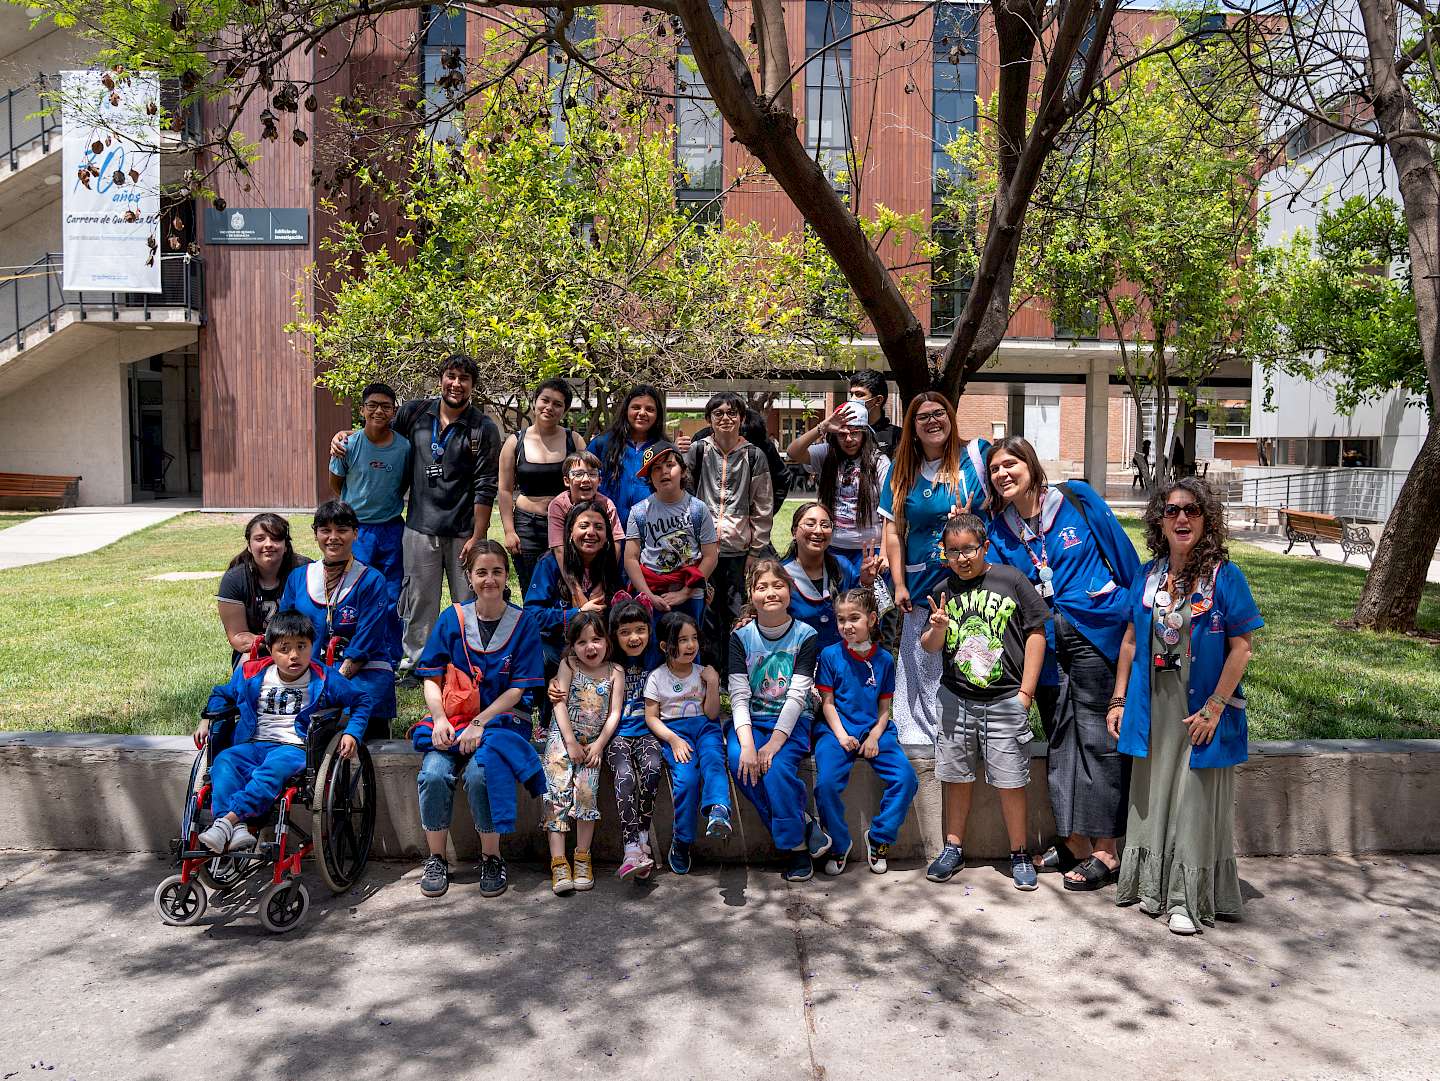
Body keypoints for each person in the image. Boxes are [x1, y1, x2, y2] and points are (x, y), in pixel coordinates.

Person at [985, 436, 1140, 892]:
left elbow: (1124, 557)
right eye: (994, 469)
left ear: (1031, 464)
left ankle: (1107, 850)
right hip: (1046, 646)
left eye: (1010, 464)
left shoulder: (1076, 499)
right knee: (1060, 740)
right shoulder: (1000, 530)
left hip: (1095, 632)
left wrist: (1131, 608)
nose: (1002, 474)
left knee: (1098, 740)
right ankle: (1074, 841)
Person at [1110, 478, 1262, 935]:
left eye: (1192, 510)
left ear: (1206, 520)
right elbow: (1131, 642)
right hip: (1153, 710)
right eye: (1172, 510)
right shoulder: (1148, 575)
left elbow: (1242, 649)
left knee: (1194, 801)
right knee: (1153, 797)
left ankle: (1185, 899)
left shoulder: (1225, 576)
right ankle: (1151, 887)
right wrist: (1119, 698)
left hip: (1200, 711)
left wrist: (1215, 707)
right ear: (1159, 520)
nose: (1181, 518)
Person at [331, 354, 501, 678]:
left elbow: (486, 485)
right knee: (419, 602)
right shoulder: (415, 413)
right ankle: (416, 665)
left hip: (463, 531)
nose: (456, 384)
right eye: (451, 376)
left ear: (473, 386)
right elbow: (378, 432)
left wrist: (478, 537)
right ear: (441, 379)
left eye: (464, 379)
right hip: (420, 528)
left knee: (468, 601)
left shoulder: (483, 427)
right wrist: (344, 436)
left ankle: (470, 664)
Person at [920, 514, 1049, 891]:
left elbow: (1036, 632)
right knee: (956, 775)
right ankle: (953, 847)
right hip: (956, 699)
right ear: (944, 554)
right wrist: (937, 628)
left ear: (985, 547)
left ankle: (1019, 852)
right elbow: (930, 646)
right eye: (953, 552)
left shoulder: (1011, 580)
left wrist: (1025, 694)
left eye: (969, 550)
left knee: (1011, 779)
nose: (961, 558)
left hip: (1006, 698)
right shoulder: (943, 589)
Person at [411, 541, 547, 899]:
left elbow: (517, 690)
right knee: (434, 773)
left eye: (497, 571)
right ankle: (436, 858)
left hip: (501, 721)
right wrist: (439, 718)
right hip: (453, 719)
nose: (489, 579)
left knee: (481, 774)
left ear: (507, 576)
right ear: (469, 577)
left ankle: (491, 857)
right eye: (481, 572)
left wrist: (480, 723)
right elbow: (431, 677)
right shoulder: (452, 618)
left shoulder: (523, 623)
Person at [195, 611, 371, 854]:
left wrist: (352, 732)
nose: (294, 655)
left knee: (271, 770)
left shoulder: (324, 677)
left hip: (294, 747)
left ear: (312, 646)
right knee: (224, 761)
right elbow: (221, 694)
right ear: (270, 649)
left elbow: (362, 700)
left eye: (302, 646)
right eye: (284, 649)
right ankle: (237, 827)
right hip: (253, 744)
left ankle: (226, 822)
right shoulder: (252, 673)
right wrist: (206, 718)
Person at [880, 392, 991, 746]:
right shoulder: (902, 470)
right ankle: (924, 739)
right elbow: (893, 532)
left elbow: (1003, 503)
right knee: (924, 664)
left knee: (973, 661)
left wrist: (973, 519)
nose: (932, 421)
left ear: (951, 417)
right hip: (923, 585)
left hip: (972, 583)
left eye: (939, 413)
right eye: (923, 416)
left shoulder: (976, 456)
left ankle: (972, 735)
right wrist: (899, 583)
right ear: (912, 426)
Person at [727, 559, 823, 883]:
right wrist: (748, 744)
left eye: (778, 585)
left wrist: (773, 744)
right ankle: (804, 826)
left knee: (777, 769)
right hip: (752, 720)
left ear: (790, 590)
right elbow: (738, 695)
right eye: (762, 587)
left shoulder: (806, 635)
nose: (771, 592)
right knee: (740, 762)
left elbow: (797, 696)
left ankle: (796, 849)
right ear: (751, 595)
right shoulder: (740, 637)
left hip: (792, 722)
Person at [812, 589, 918, 876]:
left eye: (854, 618)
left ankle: (880, 837)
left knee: (906, 778)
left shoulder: (884, 660)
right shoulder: (830, 655)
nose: (847, 625)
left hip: (875, 730)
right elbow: (828, 704)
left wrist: (873, 737)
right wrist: (841, 736)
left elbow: (884, 709)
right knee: (826, 785)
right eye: (841, 619)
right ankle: (839, 843)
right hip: (835, 731)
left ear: (871, 619)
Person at [279, 501, 398, 738]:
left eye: (342, 530)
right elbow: (283, 629)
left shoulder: (372, 580)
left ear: (356, 533)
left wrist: (331, 684)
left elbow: (367, 640)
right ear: (316, 534)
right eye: (325, 530)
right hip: (307, 670)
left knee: (364, 727)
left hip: (363, 671)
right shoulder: (299, 577)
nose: (333, 537)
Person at [684, 391, 775, 676]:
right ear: (709, 419)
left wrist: (755, 550)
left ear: (742, 418)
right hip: (704, 549)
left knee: (738, 612)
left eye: (732, 413)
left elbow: (763, 505)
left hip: (739, 549)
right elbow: (686, 498)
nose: (726, 418)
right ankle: (710, 670)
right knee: (707, 612)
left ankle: (736, 671)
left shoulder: (754, 455)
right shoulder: (698, 451)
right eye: (718, 413)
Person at [644, 610, 731, 876]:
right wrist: (673, 740)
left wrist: (713, 683)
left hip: (705, 728)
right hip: (675, 732)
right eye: (682, 640)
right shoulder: (657, 678)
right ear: (664, 646)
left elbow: (712, 714)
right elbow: (651, 717)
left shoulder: (704, 673)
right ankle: (682, 841)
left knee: (714, 761)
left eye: (694, 638)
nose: (691, 645)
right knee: (687, 779)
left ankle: (719, 809)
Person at [543, 612, 623, 896]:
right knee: (557, 794)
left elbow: (614, 713)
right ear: (572, 646)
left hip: (592, 745)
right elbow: (559, 704)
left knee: (587, 795)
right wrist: (570, 742)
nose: (590, 647)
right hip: (562, 739)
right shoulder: (568, 665)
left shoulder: (615, 672)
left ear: (607, 641)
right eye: (582, 642)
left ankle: (582, 857)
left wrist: (599, 744)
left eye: (597, 639)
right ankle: (558, 861)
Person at [524, 500, 626, 699]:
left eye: (599, 527)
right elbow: (531, 615)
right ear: (570, 532)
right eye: (583, 526)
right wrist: (577, 614)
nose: (591, 532)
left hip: (599, 649)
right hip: (558, 646)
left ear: (607, 536)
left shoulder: (611, 566)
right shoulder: (550, 564)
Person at [328, 382, 411, 619]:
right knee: (353, 588)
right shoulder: (347, 445)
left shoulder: (404, 447)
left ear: (394, 412)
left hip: (391, 528)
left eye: (385, 406)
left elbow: (403, 483)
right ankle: (352, 637)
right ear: (362, 409)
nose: (378, 411)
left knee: (391, 590)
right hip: (357, 530)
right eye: (372, 405)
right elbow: (336, 484)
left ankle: (389, 640)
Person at [499, 379, 587, 594]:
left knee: (567, 587)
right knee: (532, 590)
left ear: (565, 410)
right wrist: (509, 531)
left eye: (557, 404)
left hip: (565, 524)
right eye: (545, 400)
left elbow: (586, 484)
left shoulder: (574, 441)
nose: (549, 407)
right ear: (534, 402)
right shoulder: (515, 442)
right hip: (527, 527)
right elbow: (504, 489)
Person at [785, 400, 891, 574]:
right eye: (842, 434)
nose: (848, 439)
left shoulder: (879, 462)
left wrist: (885, 554)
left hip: (871, 549)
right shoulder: (826, 453)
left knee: (866, 592)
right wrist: (822, 427)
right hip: (832, 546)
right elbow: (793, 452)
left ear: (865, 434)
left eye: (855, 433)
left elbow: (888, 511)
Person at [623, 441, 719, 625]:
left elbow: (710, 556)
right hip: (653, 591)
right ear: (650, 477)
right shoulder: (639, 512)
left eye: (670, 465)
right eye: (656, 468)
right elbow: (631, 558)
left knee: (689, 639)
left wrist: (685, 593)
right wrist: (648, 595)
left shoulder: (698, 509)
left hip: (691, 593)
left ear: (683, 471)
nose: (664, 472)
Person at [604, 600, 665, 881]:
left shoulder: (657, 659)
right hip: (616, 734)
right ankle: (631, 847)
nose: (634, 637)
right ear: (614, 635)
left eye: (640, 630)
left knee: (652, 768)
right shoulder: (607, 664)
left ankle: (642, 836)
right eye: (625, 631)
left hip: (648, 731)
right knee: (625, 775)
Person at [779, 501, 878, 653]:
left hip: (842, 659)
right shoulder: (780, 575)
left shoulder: (843, 567)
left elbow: (867, 618)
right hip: (798, 660)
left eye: (825, 525)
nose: (818, 531)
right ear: (794, 532)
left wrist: (866, 584)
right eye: (810, 524)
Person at [217, 513, 309, 667]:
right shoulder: (235, 579)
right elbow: (238, 637)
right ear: (249, 545)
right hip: (256, 650)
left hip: (301, 647)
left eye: (275, 538)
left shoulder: (306, 571)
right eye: (260, 539)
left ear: (286, 545)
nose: (268, 544)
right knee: (247, 667)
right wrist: (276, 643)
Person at [589, 384, 667, 529]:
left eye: (650, 409)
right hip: (607, 529)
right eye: (636, 407)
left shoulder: (664, 449)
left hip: (651, 530)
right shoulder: (601, 444)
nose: (642, 413)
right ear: (626, 410)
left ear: (658, 415)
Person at [547, 451, 622, 562]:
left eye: (592, 474)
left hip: (599, 560)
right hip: (567, 559)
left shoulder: (606, 504)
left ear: (600, 481)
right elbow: (558, 548)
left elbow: (616, 541)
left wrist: (607, 570)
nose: (586, 479)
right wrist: (569, 574)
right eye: (578, 474)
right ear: (567, 481)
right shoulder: (559, 505)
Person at [848, 371, 900, 458]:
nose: (852, 400)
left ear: (878, 400)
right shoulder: (844, 432)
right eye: (851, 394)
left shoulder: (897, 436)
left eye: (859, 394)